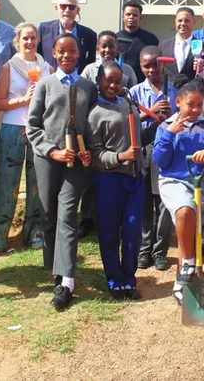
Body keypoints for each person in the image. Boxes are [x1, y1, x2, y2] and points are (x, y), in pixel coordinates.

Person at [26, 33, 97, 311]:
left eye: (72, 51)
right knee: (48, 212)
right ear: (54, 54)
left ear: (79, 54)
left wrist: (88, 148)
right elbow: (33, 126)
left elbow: (92, 124)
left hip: (76, 162)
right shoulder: (45, 85)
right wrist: (51, 150)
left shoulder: (88, 87)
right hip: (48, 158)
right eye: (61, 52)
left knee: (67, 213)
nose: (67, 56)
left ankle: (66, 279)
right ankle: (54, 266)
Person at [153, 81, 204, 306]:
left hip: (201, 185)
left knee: (191, 233)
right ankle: (187, 264)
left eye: (199, 105)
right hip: (174, 181)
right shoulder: (165, 126)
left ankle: (181, 283)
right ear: (178, 102)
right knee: (185, 211)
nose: (194, 109)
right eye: (189, 104)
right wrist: (169, 134)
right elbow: (159, 160)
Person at [0, 22, 53, 252]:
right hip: (13, 129)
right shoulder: (9, 67)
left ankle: (33, 231)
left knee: (37, 184)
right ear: (16, 41)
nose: (29, 42)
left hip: (38, 130)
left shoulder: (46, 67)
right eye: (25, 38)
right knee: (8, 184)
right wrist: (23, 100)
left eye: (33, 38)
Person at [87, 62, 145, 300]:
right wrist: (120, 157)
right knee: (109, 231)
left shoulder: (129, 105)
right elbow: (94, 154)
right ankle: (114, 279)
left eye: (118, 81)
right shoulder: (95, 113)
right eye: (109, 80)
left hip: (134, 178)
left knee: (132, 230)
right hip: (108, 179)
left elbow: (136, 137)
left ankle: (130, 278)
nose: (113, 85)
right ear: (99, 81)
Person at [131, 46, 177, 272]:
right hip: (143, 149)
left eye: (155, 65)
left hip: (165, 150)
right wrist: (149, 111)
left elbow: (182, 118)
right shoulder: (135, 92)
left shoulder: (173, 91)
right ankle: (144, 248)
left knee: (163, 202)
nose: (151, 70)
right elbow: (127, 122)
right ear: (140, 67)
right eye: (146, 66)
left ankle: (160, 251)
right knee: (144, 201)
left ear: (162, 63)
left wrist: (170, 118)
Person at [38, 0, 97, 74]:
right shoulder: (44, 30)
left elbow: (90, 64)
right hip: (49, 81)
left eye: (71, 7)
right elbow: (37, 58)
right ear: (56, 8)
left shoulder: (89, 35)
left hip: (77, 83)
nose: (67, 10)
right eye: (63, 6)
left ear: (78, 10)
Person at [158, 7, 204, 80]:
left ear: (194, 22)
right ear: (175, 22)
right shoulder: (163, 46)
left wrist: (201, 71)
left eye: (187, 21)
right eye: (180, 20)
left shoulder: (203, 47)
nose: (183, 24)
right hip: (169, 89)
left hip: (192, 89)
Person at [116, 1, 159, 83]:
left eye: (135, 15)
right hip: (120, 85)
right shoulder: (115, 39)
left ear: (140, 17)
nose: (131, 17)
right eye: (128, 14)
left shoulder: (151, 39)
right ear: (122, 17)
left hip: (144, 87)